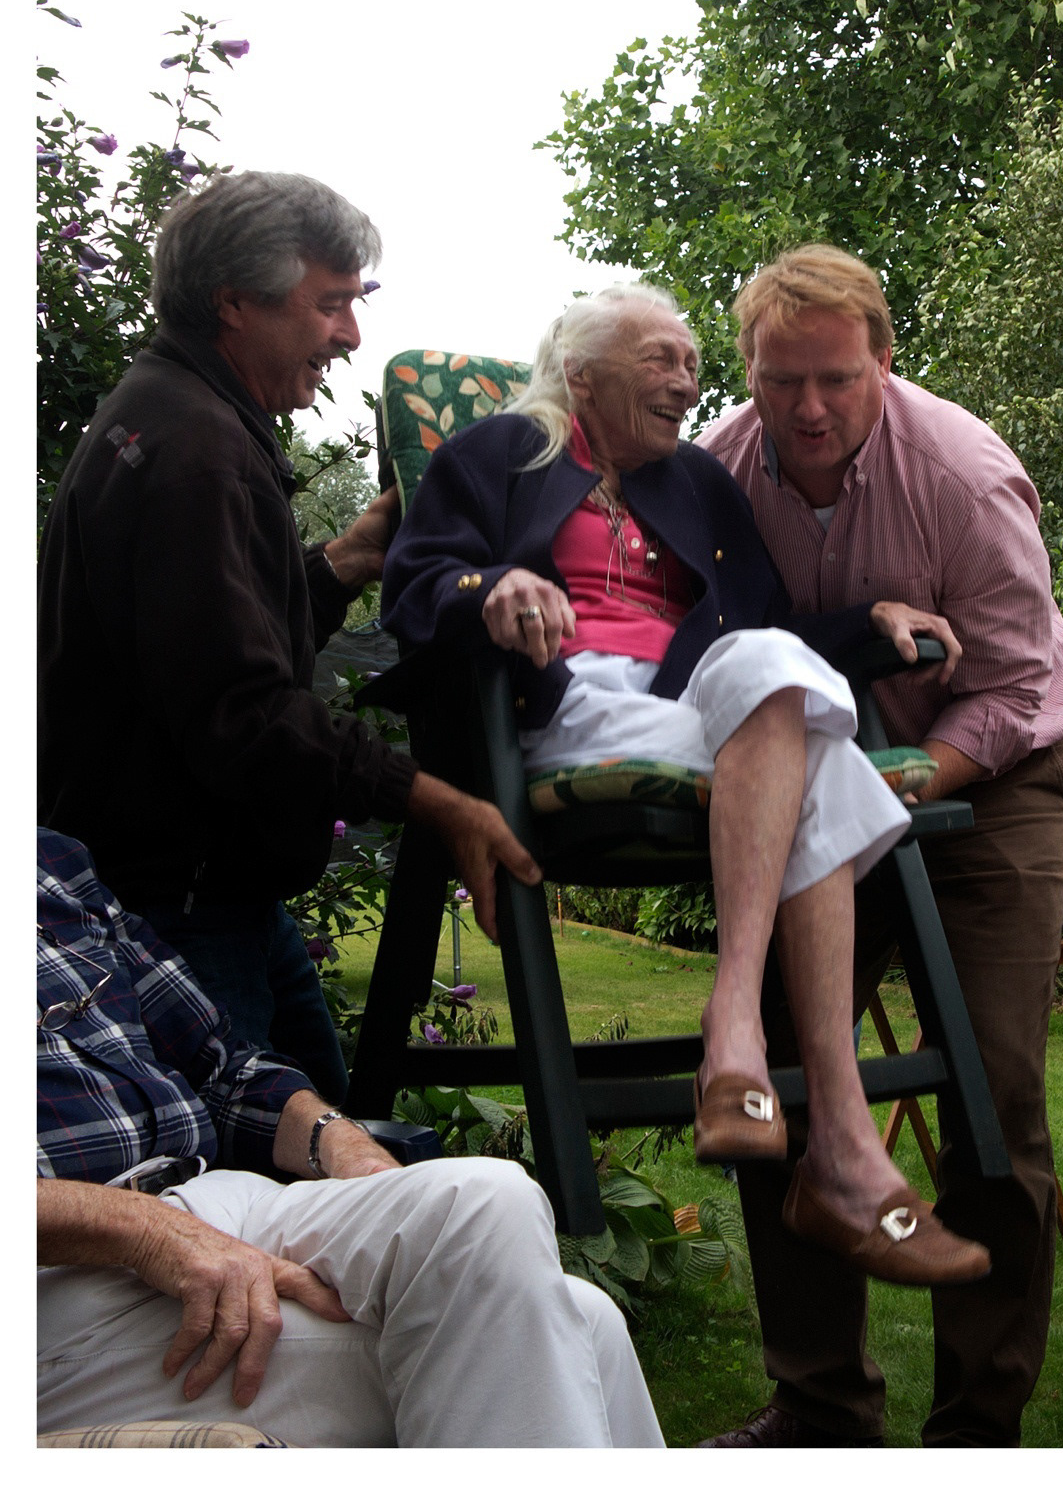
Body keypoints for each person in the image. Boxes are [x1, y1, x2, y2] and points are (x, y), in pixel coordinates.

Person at [381, 283, 988, 1287]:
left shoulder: (697, 481)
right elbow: (414, 589)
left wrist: (870, 619)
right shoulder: (496, 453)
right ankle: (840, 1145)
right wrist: (492, 586)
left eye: (692, 361)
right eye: (660, 358)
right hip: (564, 708)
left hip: (693, 709)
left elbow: (768, 630)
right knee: (825, 762)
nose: (687, 379)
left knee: (774, 679)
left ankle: (740, 1039)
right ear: (582, 376)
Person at [37, 171, 538, 1104]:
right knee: (263, 1176)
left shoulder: (171, 411)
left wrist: (345, 561)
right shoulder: (199, 454)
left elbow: (201, 646)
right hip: (176, 914)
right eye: (330, 303)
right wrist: (442, 800)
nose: (351, 335)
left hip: (210, 894)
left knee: (338, 1141)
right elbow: (242, 713)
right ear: (235, 301)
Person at [698, 244, 1063, 1448]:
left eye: (836, 379)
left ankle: (978, 1429)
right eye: (780, 381)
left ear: (883, 360)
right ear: (749, 372)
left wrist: (916, 774)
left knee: (993, 1091)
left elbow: (1018, 686)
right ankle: (820, 1409)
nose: (808, 408)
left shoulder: (963, 476)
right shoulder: (718, 471)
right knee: (780, 1077)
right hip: (823, 792)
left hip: (993, 777)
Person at [36, 828, 662, 1448]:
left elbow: (220, 1066)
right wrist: (149, 1233)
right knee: (579, 1325)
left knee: (486, 1220)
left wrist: (345, 1146)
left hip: (204, 1200)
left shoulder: (53, 864)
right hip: (61, 1273)